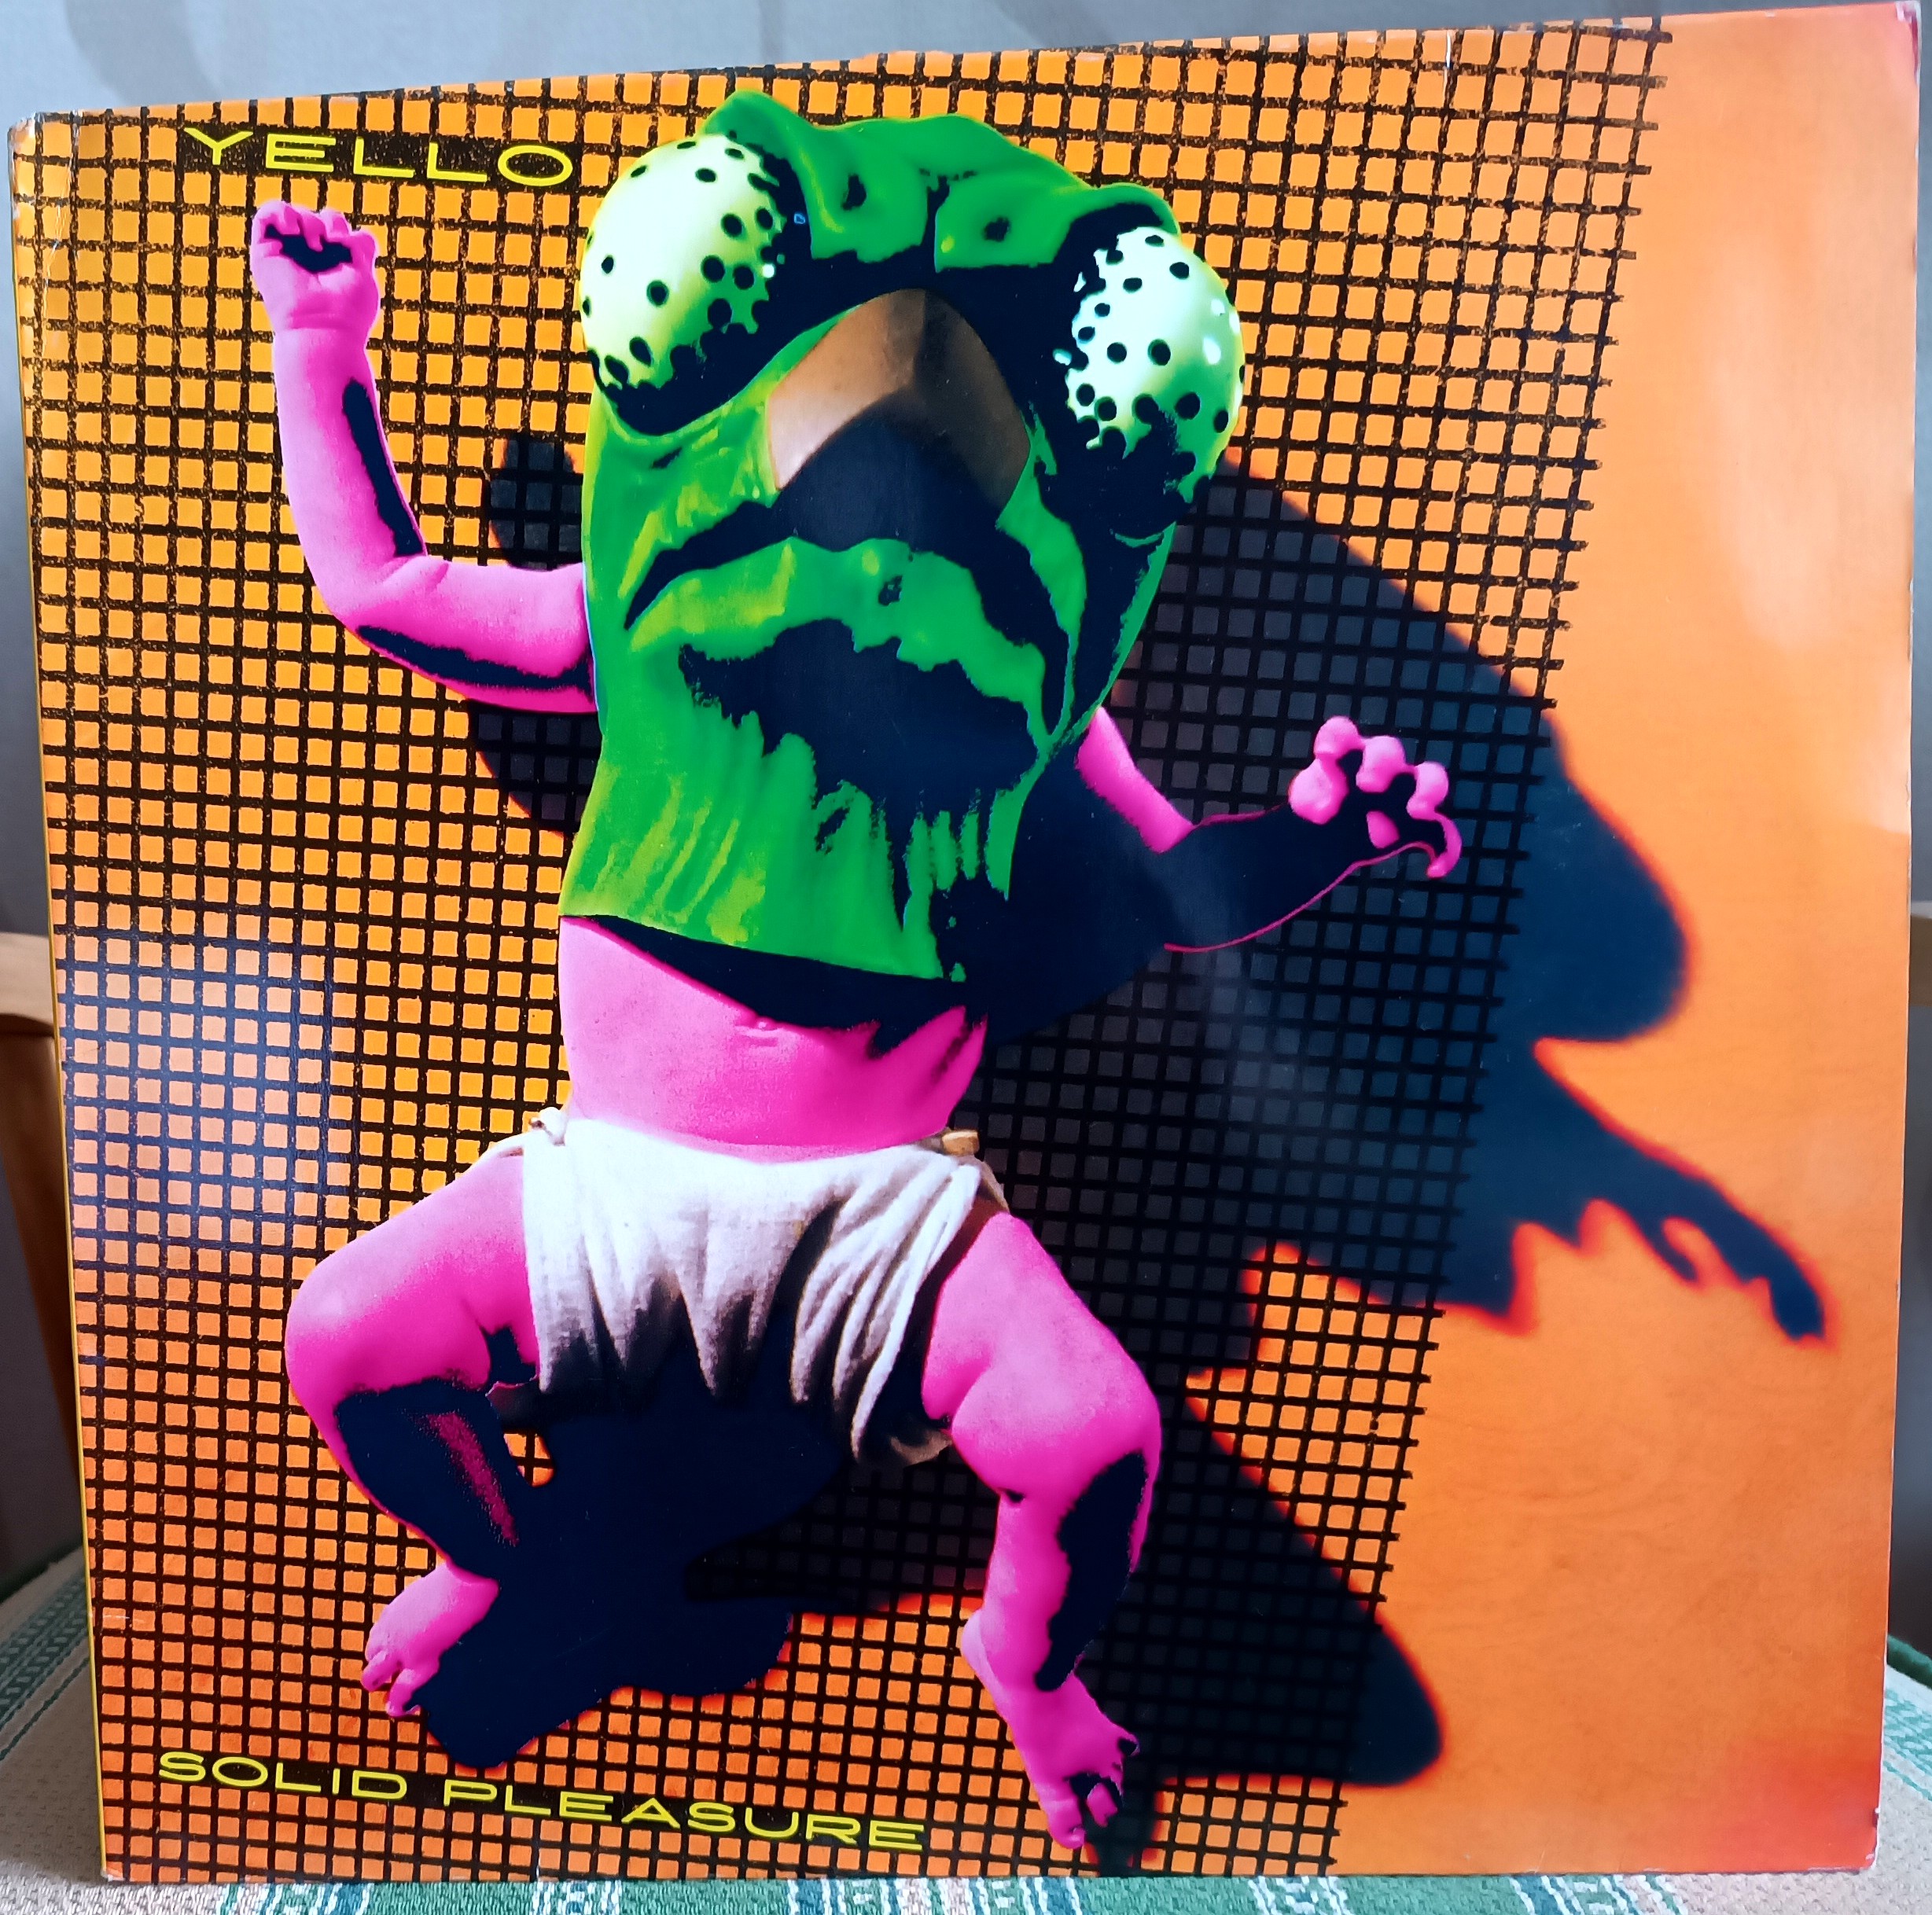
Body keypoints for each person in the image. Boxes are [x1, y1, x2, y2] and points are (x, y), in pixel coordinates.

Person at [252, 91, 1459, 1852]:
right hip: (605, 1190)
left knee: (1093, 1437)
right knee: (349, 1340)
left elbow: (1177, 896)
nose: (906, 393)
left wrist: (1319, 839)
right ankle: (496, 1560)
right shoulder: (632, 620)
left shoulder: (1036, 715)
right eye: (688, 285)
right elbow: (380, 588)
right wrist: (321, 344)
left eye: (1133, 382)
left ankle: (1028, 1669)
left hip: (889, 1223)